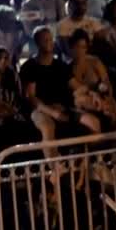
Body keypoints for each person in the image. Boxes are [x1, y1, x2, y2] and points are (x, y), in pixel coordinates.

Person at [20, 27, 80, 159]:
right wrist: (53, 113)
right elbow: (32, 97)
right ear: (37, 43)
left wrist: (93, 93)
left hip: (61, 107)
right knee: (47, 126)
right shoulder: (29, 67)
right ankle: (55, 168)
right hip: (39, 110)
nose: (49, 42)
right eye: (45, 40)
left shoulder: (61, 65)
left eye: (50, 39)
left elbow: (77, 86)